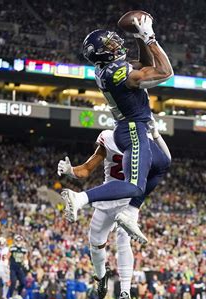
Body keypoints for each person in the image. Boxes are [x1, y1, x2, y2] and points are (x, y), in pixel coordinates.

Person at [61, 13, 173, 242]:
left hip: (131, 127)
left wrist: (138, 37)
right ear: (104, 52)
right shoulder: (118, 74)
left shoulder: (106, 68)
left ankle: (130, 212)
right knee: (132, 186)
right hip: (132, 130)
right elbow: (164, 72)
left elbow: (144, 65)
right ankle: (80, 198)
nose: (117, 44)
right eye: (110, 44)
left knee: (162, 163)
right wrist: (150, 38)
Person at [57, 124, 171, 299]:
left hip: (127, 201)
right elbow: (86, 169)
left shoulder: (144, 143)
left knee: (123, 241)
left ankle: (125, 294)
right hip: (107, 196)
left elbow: (163, 164)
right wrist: (71, 170)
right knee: (95, 244)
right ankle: (102, 277)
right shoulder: (109, 137)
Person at [8, 234, 28, 299]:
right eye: (17, 240)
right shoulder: (12, 248)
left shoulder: (24, 249)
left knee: (23, 282)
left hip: (20, 267)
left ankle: (19, 295)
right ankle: (10, 297)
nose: (19, 242)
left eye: (20, 240)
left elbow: (25, 257)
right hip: (13, 267)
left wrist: (26, 262)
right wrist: (6, 263)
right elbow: (8, 256)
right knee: (13, 282)